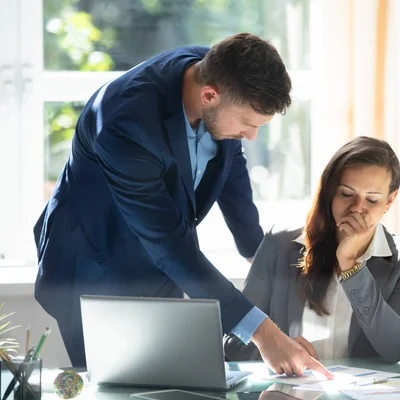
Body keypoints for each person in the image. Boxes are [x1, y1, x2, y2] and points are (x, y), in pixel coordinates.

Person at [33, 32, 332, 378]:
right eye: (248, 124)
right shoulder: (125, 125)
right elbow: (171, 246)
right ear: (208, 95)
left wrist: (256, 251)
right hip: (92, 269)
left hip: (161, 268)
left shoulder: (220, 73)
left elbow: (230, 164)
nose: (252, 136)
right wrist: (263, 334)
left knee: (174, 385)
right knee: (116, 389)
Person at [224, 136, 400, 364]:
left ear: (389, 201)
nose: (356, 208)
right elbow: (233, 343)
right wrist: (277, 347)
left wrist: (350, 265)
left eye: (371, 199)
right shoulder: (278, 244)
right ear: (330, 191)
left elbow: (396, 349)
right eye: (346, 194)